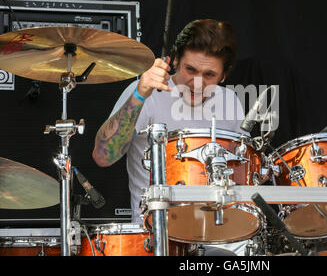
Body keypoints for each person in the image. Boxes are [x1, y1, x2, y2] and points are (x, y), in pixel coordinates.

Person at [92, 19, 249, 255]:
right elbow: (103, 156)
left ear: (224, 75)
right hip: (157, 233)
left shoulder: (230, 101)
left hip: (220, 231)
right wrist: (139, 93)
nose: (197, 82)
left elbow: (244, 172)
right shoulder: (148, 93)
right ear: (175, 61)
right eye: (190, 69)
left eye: (209, 74)